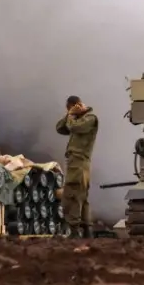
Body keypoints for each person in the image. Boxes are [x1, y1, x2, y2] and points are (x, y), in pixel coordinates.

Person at [56, 95, 98, 239]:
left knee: (71, 196)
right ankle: (87, 232)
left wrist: (71, 115)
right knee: (81, 197)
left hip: (79, 163)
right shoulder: (78, 118)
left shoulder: (90, 118)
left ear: (78, 105)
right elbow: (60, 128)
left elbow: (73, 127)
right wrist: (70, 114)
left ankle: (74, 232)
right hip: (77, 163)